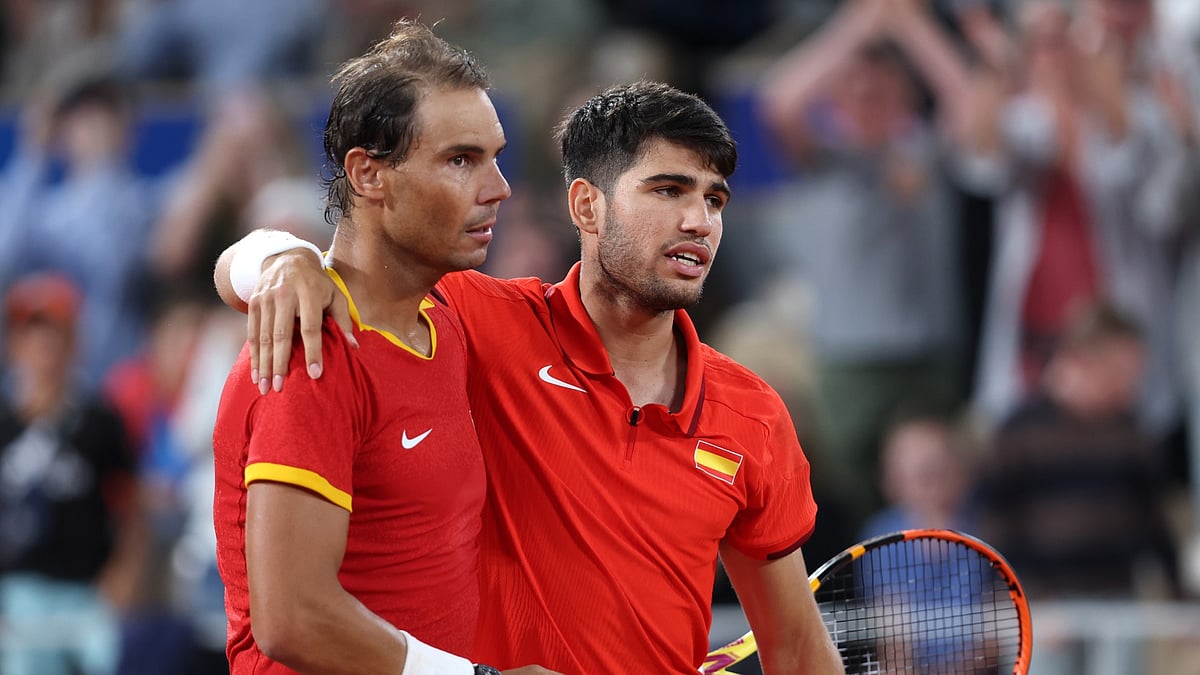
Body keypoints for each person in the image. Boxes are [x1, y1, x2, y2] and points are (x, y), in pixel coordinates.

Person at [216, 80, 844, 673]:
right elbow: (341, 269)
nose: (698, 221)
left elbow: (794, 642)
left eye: (713, 199)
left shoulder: (753, 414)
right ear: (586, 206)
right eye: (667, 190)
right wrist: (280, 257)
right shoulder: (475, 320)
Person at [209, 20, 554, 675]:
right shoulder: (314, 351)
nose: (498, 187)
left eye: (495, 155)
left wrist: (267, 255)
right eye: (461, 160)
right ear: (369, 175)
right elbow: (293, 619)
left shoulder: (448, 315)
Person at [0, 272, 145, 675]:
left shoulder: (101, 422)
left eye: (55, 332)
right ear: (14, 344)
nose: (44, 345)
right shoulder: (3, 425)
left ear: (74, 344)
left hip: (89, 592)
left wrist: (124, 573)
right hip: (17, 594)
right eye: (32, 332)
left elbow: (131, 506)